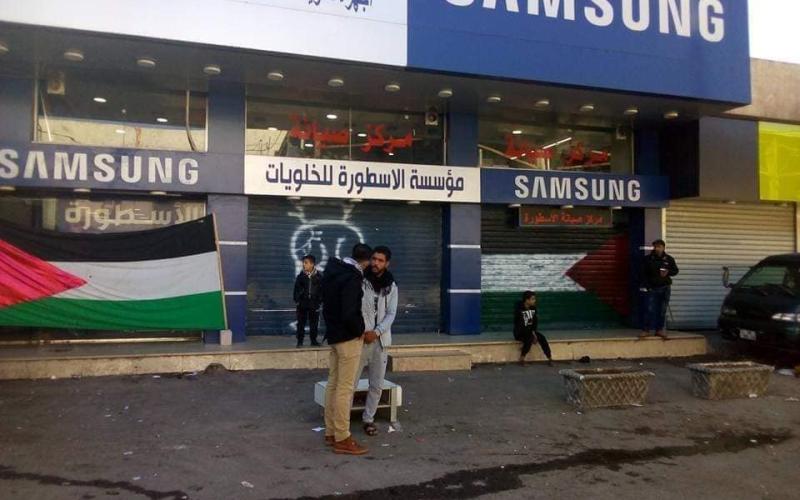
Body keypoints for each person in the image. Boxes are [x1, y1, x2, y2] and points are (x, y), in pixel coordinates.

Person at [321, 243, 372, 456]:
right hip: (348, 338)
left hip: (334, 335)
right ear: (366, 261)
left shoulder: (333, 272)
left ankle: (331, 432)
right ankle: (342, 437)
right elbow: (350, 311)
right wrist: (360, 330)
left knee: (333, 385)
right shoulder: (352, 277)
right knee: (345, 388)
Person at [356, 246, 398, 437]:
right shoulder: (360, 280)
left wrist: (377, 332)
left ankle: (368, 419)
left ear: (387, 263)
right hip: (360, 339)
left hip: (380, 341)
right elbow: (354, 307)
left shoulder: (391, 286)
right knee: (351, 383)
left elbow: (391, 314)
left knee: (376, 384)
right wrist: (362, 331)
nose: (375, 263)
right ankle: (342, 422)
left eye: (380, 260)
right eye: (374, 259)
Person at [640, 239, 679, 339]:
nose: (657, 249)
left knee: (662, 310)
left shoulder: (669, 259)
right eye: (656, 247)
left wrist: (668, 272)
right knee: (649, 309)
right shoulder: (648, 259)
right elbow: (643, 273)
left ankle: (659, 330)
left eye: (659, 247)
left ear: (663, 247)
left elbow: (675, 271)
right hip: (652, 288)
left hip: (665, 288)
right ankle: (646, 330)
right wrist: (646, 286)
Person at [513, 291, 552, 366]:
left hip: (530, 331)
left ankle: (549, 358)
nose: (535, 301)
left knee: (542, 338)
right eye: (532, 299)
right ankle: (522, 359)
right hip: (519, 332)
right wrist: (532, 334)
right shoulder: (518, 309)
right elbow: (520, 325)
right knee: (529, 338)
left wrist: (534, 332)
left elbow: (535, 322)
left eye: (534, 299)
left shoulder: (533, 308)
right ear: (527, 300)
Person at [293, 255, 322, 348]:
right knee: (301, 323)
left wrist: (319, 301)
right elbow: (296, 290)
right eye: (303, 263)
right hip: (303, 303)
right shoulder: (301, 276)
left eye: (306, 263)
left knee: (314, 323)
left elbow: (322, 290)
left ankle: (313, 341)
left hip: (314, 303)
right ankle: (300, 341)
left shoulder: (319, 277)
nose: (304, 265)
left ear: (312, 264)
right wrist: (297, 300)